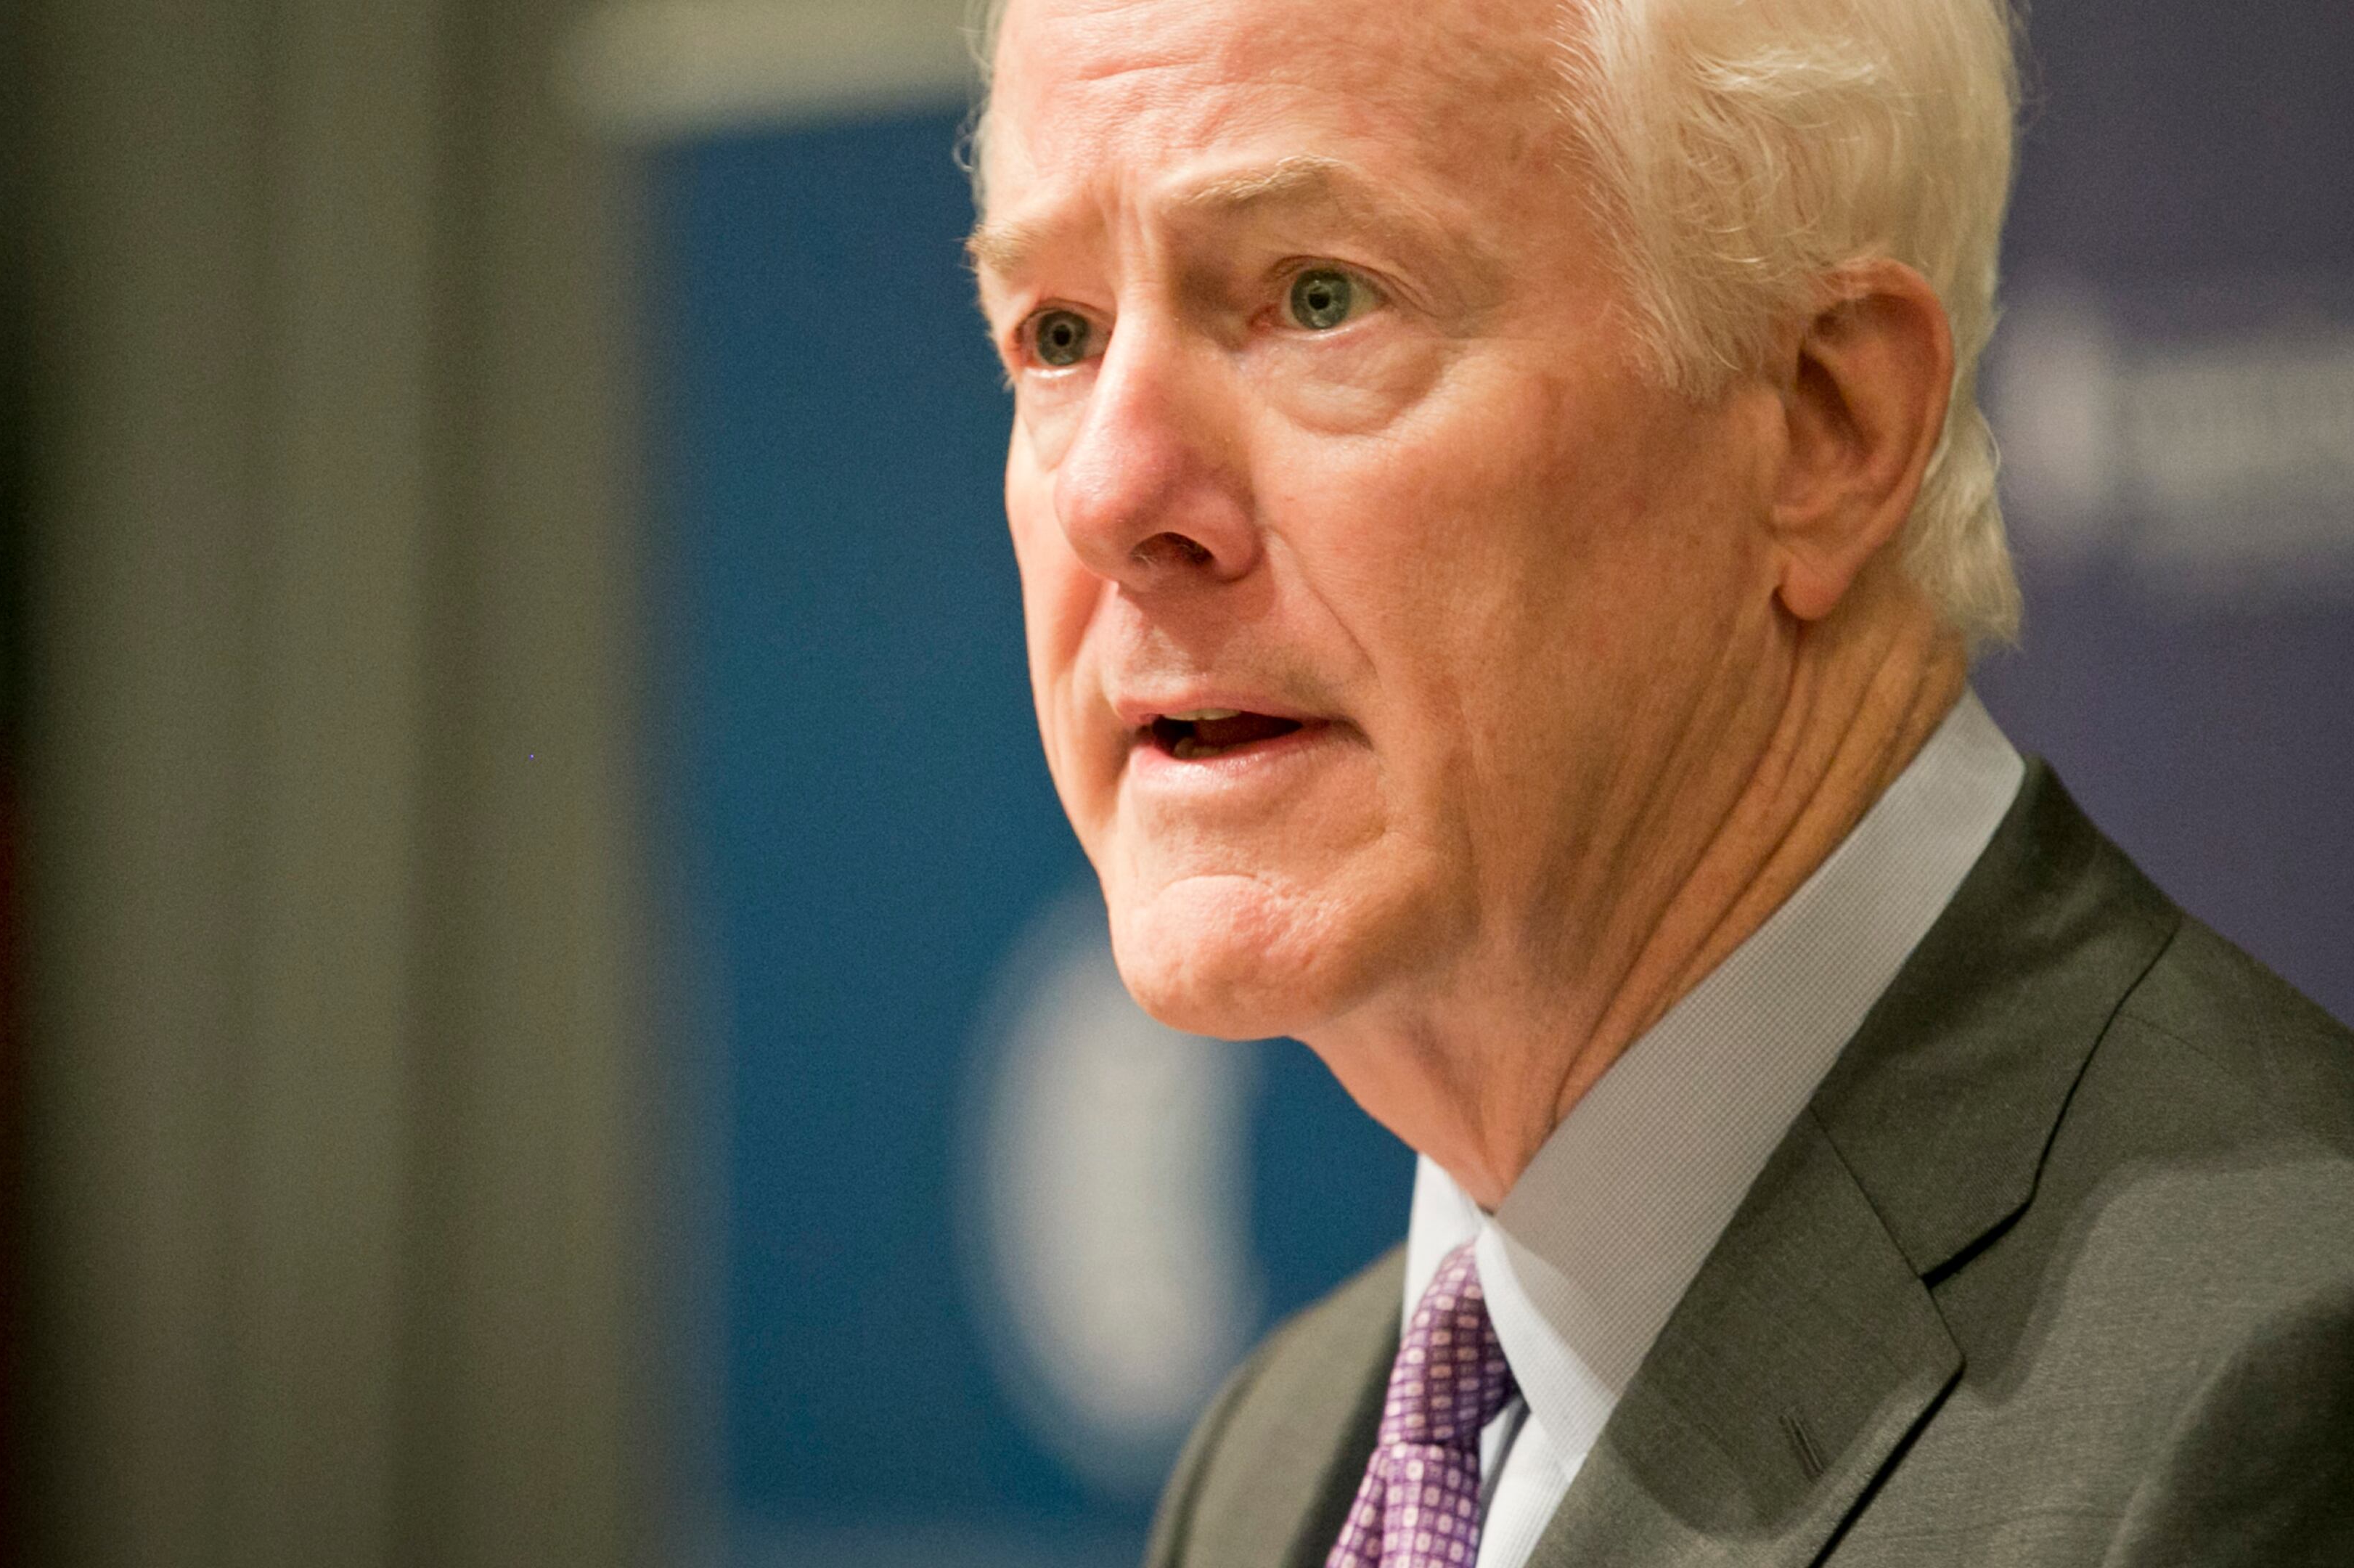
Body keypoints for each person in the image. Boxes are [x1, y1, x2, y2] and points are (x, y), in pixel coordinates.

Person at [962, 0, 2354, 1562]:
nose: (1110, 494)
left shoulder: (2279, 1397)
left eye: (1319, 297)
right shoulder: (1279, 1453)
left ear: (1827, 427)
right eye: (1058, 334)